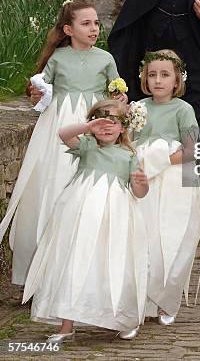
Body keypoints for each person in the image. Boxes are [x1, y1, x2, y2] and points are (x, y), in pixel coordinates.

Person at [0, 0, 122, 285]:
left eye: (96, 23)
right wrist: (37, 92)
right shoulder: (58, 58)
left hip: (93, 121)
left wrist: (118, 100)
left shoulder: (105, 59)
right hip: (60, 124)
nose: (94, 28)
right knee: (53, 180)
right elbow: (41, 90)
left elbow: (116, 90)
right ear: (68, 29)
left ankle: (89, 266)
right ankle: (46, 272)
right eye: (86, 23)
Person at [22, 100, 149, 342]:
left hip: (115, 216)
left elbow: (138, 191)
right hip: (80, 211)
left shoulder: (129, 155)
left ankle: (122, 318)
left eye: (113, 121)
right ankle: (66, 325)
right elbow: (63, 133)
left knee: (112, 262)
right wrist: (87, 127)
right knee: (74, 260)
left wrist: (143, 185)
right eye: (101, 120)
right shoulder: (87, 146)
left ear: (124, 127)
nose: (106, 125)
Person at [134, 50, 200, 327]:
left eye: (165, 75)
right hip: (146, 185)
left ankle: (168, 299)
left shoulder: (183, 110)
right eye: (152, 75)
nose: (158, 80)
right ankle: (142, 300)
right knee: (147, 241)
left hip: (175, 182)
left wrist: (159, 160)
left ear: (177, 80)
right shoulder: (138, 108)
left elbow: (191, 150)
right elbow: (129, 143)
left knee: (175, 241)